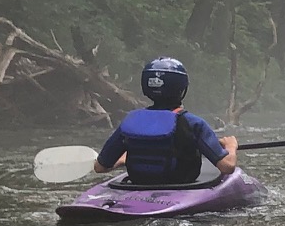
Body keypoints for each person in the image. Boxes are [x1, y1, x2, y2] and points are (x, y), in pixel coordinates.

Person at [94, 57, 239, 185]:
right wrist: (231, 146)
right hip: (179, 184)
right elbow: (227, 166)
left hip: (139, 183)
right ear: (182, 89)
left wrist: (122, 160)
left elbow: (100, 167)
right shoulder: (193, 123)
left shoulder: (130, 120)